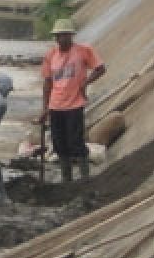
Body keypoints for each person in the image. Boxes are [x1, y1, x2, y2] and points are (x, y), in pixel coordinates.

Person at [35, 18, 106, 183]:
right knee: (59, 144)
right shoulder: (51, 55)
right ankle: (66, 179)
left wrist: (85, 83)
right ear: (56, 38)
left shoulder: (83, 51)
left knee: (76, 141)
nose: (63, 39)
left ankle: (84, 178)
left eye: (66, 35)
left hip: (74, 105)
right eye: (60, 36)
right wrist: (45, 108)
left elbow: (100, 68)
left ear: (71, 36)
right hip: (55, 106)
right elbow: (47, 82)